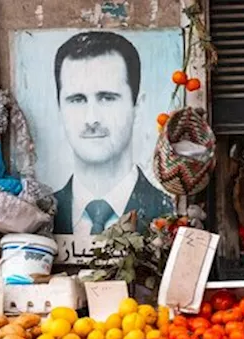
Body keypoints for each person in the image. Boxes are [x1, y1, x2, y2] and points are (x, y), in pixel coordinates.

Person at [51, 31, 172, 240]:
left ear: (138, 106)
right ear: (59, 108)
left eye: (107, 98)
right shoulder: (43, 215)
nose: (91, 119)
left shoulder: (169, 213)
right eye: (77, 100)